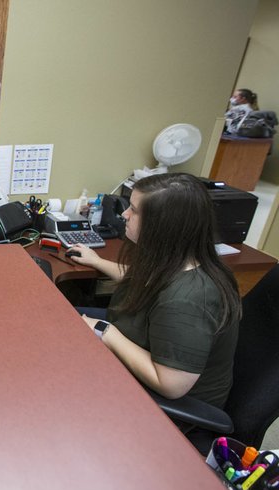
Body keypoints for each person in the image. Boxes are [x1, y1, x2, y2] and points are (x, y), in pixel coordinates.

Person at [69, 173, 241, 411]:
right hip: (133, 343)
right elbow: (145, 281)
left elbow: (171, 385)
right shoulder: (181, 260)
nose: (124, 214)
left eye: (135, 210)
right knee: (58, 317)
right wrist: (98, 262)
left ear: (162, 225)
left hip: (169, 412)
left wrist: (104, 331)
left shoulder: (187, 301)